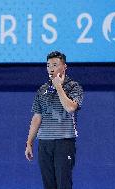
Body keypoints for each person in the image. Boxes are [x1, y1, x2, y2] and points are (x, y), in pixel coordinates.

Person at [25, 51, 83, 189]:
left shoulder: (74, 87)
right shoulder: (42, 90)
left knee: (63, 184)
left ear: (64, 67)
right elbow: (37, 118)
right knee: (49, 185)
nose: (51, 68)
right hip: (44, 143)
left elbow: (70, 108)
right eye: (48, 65)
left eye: (55, 65)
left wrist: (58, 86)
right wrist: (29, 142)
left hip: (64, 143)